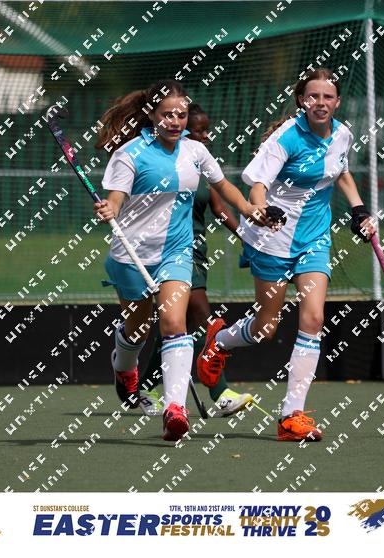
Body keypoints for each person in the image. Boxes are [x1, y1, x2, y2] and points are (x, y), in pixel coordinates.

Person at [196, 68, 376, 442]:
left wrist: (359, 210)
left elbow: (341, 172)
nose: (320, 103)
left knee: (314, 318)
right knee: (266, 328)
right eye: (313, 96)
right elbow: (257, 185)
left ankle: (291, 416)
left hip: (314, 240)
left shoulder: (342, 134)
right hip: (272, 239)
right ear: (301, 100)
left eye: (328, 97)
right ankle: (221, 341)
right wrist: (262, 210)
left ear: (337, 102)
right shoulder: (287, 137)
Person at [93, 80, 270, 441]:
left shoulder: (195, 150)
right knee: (138, 330)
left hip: (177, 252)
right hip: (132, 255)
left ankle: (175, 410)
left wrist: (249, 208)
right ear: (151, 114)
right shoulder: (129, 153)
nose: (175, 121)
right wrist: (109, 208)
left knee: (174, 323)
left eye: (181, 114)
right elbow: (116, 198)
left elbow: (223, 186)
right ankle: (123, 365)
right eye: (167, 115)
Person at [136, 103, 254, 418]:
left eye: (206, 130)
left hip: (198, 253)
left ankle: (144, 387)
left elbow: (219, 208)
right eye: (199, 130)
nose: (205, 135)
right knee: (202, 316)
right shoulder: (166, 164)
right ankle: (220, 392)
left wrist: (247, 237)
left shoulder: (202, 163)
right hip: (171, 251)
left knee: (177, 325)